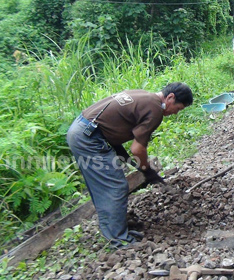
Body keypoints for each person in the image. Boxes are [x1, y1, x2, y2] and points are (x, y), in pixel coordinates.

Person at [66, 83, 193, 248]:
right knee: (114, 186)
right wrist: (147, 171)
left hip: (83, 129)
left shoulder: (144, 96)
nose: (175, 113)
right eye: (178, 108)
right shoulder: (155, 110)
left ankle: (117, 229)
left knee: (107, 185)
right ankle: (117, 239)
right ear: (170, 98)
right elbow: (137, 148)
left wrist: (131, 161)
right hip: (88, 138)